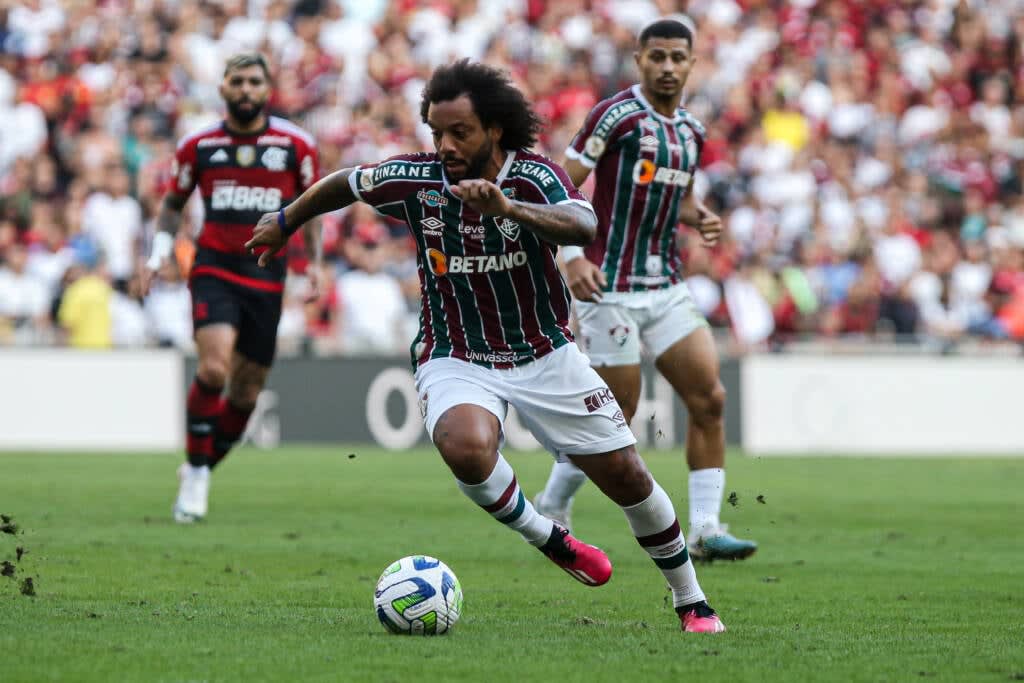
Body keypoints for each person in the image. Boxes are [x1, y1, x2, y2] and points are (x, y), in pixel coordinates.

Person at [247, 59, 726, 633]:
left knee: (626, 474)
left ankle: (690, 599)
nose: (445, 145)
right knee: (465, 445)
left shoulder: (534, 177)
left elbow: (582, 224)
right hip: (456, 352)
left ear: (494, 129)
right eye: (436, 132)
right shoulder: (419, 180)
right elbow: (346, 181)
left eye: (459, 132)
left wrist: (508, 210)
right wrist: (284, 217)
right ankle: (548, 537)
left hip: (545, 351)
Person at [533, 19, 758, 561]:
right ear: (639, 59)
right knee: (618, 413)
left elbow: (677, 198)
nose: (667, 67)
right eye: (656, 57)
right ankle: (551, 503)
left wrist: (698, 217)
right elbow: (561, 184)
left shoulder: (691, 132)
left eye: (677, 58)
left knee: (710, 399)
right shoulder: (615, 115)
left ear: (691, 63)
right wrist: (571, 256)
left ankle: (704, 528)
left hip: (665, 284)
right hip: (608, 284)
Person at [140, 53, 322, 523]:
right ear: (222, 87)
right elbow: (172, 204)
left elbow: (312, 208)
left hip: (267, 275)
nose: (245, 89)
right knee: (216, 368)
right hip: (214, 269)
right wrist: (160, 252)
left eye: (254, 81)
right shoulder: (198, 144)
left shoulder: (296, 145)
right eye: (237, 81)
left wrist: (315, 265)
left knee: (246, 393)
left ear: (267, 89)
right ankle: (198, 476)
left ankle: (199, 468)